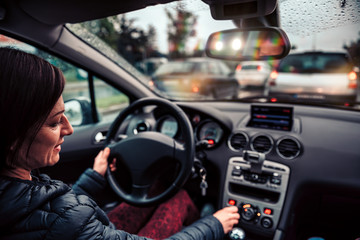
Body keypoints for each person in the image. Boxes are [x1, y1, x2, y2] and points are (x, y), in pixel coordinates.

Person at [0, 47, 240, 239]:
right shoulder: (66, 224)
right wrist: (214, 225)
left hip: (96, 226)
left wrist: (94, 177)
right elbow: (63, 221)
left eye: (66, 116)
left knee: (158, 192)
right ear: (12, 136)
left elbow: (50, 215)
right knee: (179, 199)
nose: (69, 129)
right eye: (54, 123)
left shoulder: (17, 194)